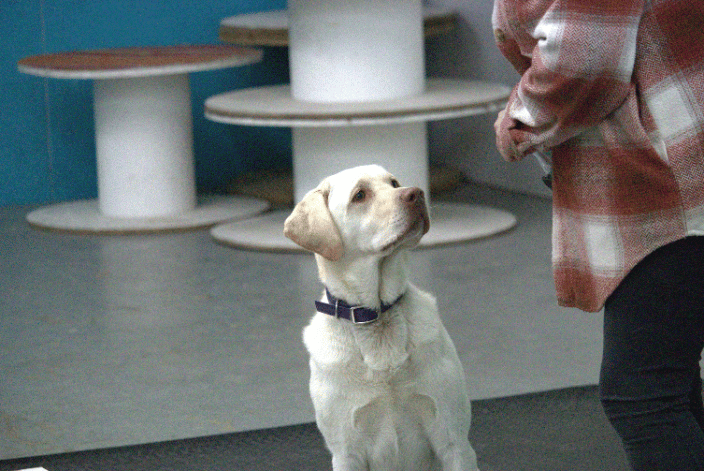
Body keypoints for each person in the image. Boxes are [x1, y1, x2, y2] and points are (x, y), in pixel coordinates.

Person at [491, 0, 704, 469]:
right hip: (680, 156)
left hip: (670, 183)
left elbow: (584, 64)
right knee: (670, 380)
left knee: (643, 399)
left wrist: (516, 125)